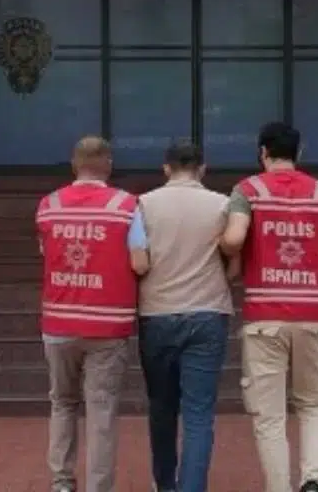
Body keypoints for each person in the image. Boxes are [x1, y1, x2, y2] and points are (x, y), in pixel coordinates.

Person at [220, 122, 318, 492]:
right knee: (314, 404)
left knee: (269, 416)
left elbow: (234, 238)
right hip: (313, 315)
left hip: (264, 316)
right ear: (300, 152)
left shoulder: (248, 190)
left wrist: (225, 245)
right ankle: (312, 479)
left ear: (262, 152)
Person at [36, 136, 143, 492]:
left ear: (74, 164)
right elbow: (140, 261)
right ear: (108, 164)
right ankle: (99, 486)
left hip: (59, 321)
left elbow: (46, 251)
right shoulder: (127, 206)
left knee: (62, 403)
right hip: (107, 324)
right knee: (102, 410)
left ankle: (62, 481)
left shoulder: (48, 205)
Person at [130, 141, 232, 492]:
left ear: (166, 168)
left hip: (157, 312)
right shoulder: (222, 205)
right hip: (208, 311)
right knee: (199, 413)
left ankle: (165, 483)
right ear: (202, 168)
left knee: (161, 407)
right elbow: (234, 260)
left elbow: (138, 262)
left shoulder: (143, 205)